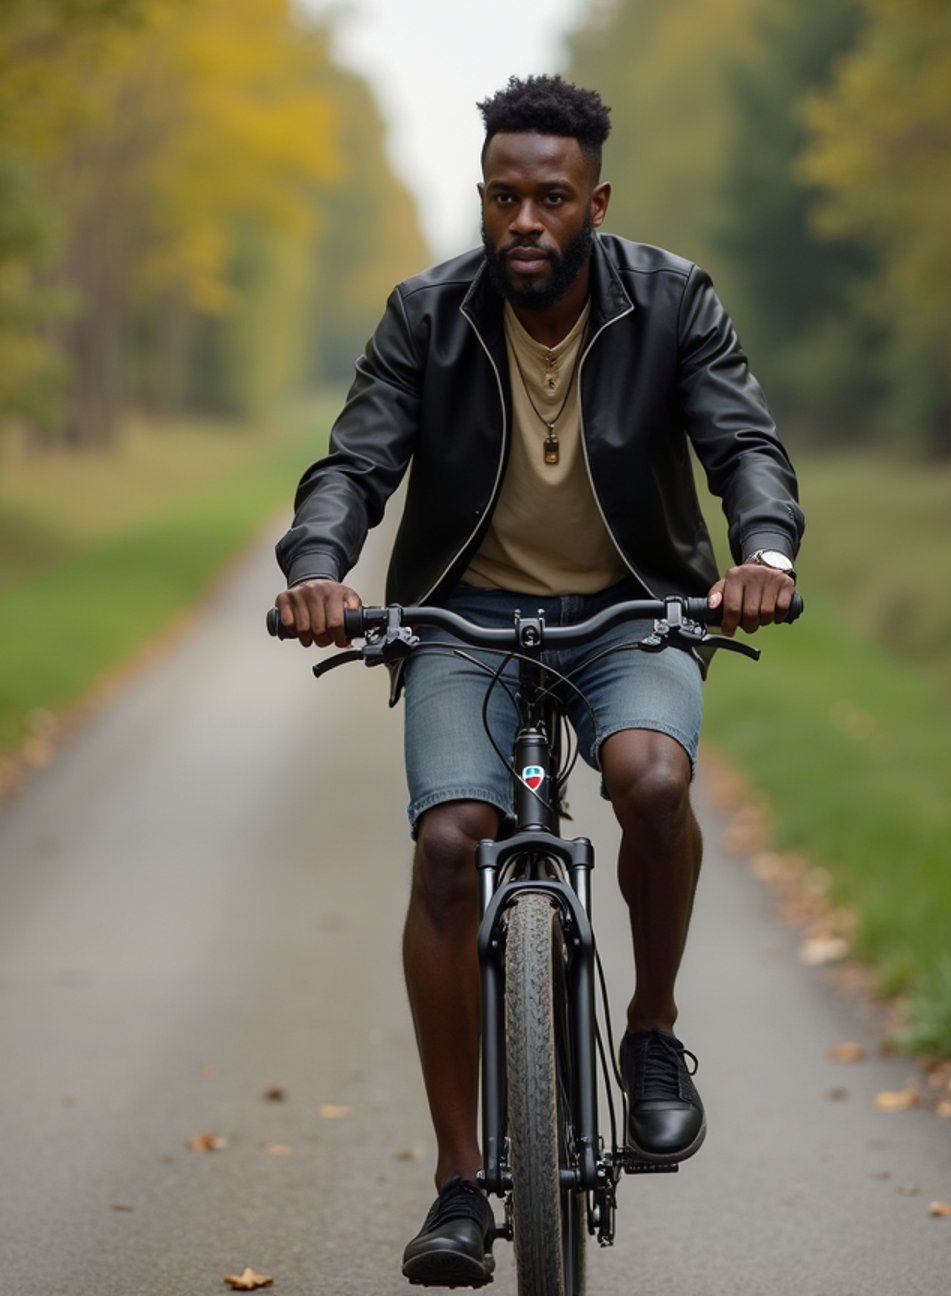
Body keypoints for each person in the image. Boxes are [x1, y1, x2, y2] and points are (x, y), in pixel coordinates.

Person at [274, 74, 803, 1288]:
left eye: (551, 199)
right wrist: (319, 568)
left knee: (649, 778)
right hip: (463, 619)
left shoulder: (670, 302)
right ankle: (461, 1185)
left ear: (595, 202)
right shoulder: (426, 313)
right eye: (504, 196)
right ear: (481, 197)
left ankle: (654, 1034)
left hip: (632, 610)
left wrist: (762, 556)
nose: (524, 220)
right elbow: (355, 460)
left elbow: (740, 443)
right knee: (453, 841)